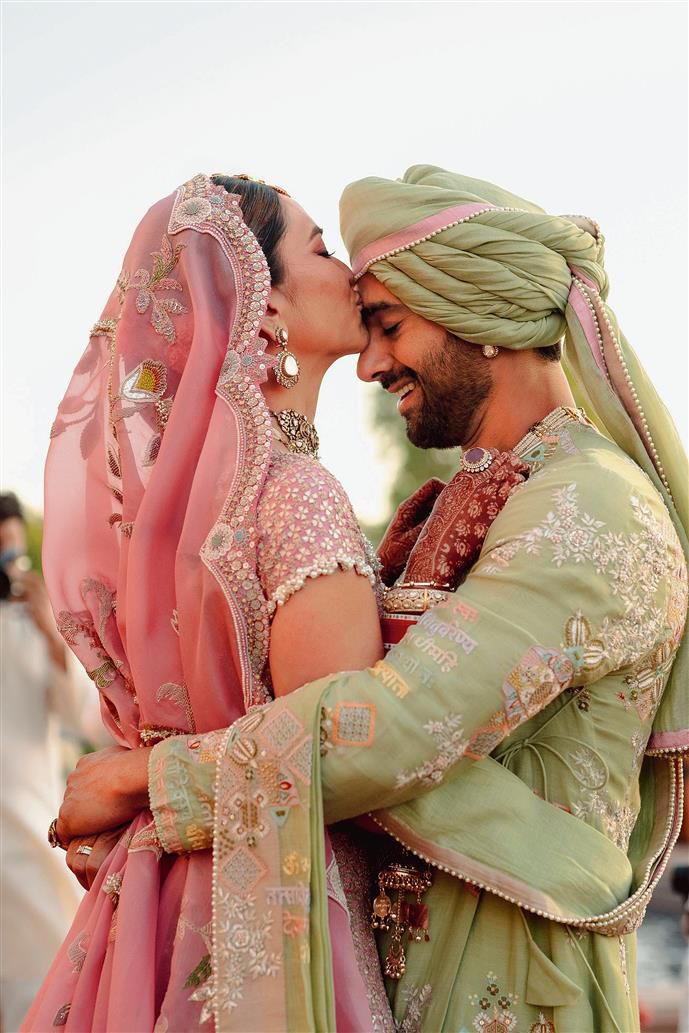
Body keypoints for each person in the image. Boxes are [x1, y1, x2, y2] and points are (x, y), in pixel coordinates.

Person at [54, 167, 688, 1032]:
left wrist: (146, 779)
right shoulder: (475, 499)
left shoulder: (589, 506)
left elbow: (398, 727)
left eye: (389, 325)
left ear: (482, 321)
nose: (370, 362)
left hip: (513, 986)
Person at [0, 493, 102, 1032]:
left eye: (14, 551)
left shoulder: (32, 624)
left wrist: (49, 631)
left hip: (27, 824)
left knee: (38, 975)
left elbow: (80, 714)